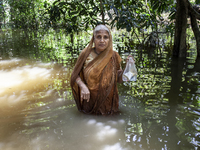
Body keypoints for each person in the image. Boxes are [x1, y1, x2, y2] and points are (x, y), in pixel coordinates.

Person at [70, 24, 133, 115]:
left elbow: (119, 79)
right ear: (94, 39)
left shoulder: (114, 56)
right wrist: (83, 86)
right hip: (89, 101)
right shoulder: (86, 54)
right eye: (98, 37)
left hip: (109, 103)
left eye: (105, 37)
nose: (102, 40)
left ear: (109, 39)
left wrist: (127, 67)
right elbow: (74, 75)